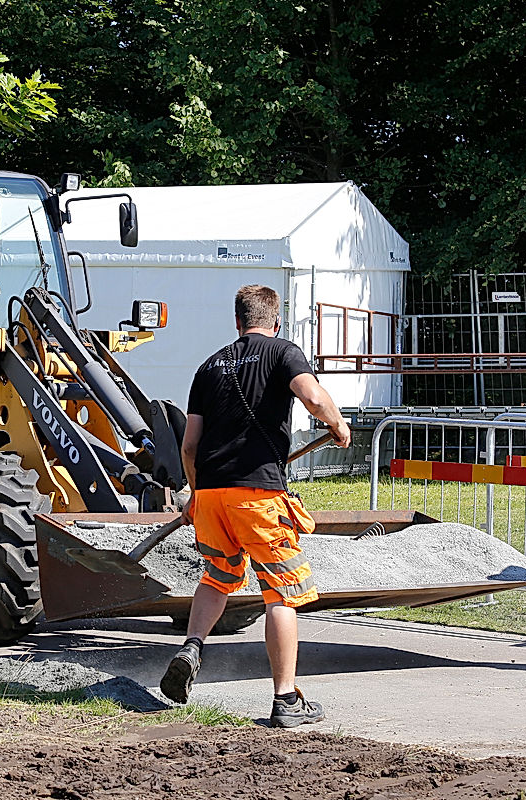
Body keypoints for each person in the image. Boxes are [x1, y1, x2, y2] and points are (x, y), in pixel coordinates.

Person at [159, 284, 351, 728]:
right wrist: (338, 423)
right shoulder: (284, 353)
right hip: (258, 496)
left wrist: (195, 495)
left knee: (218, 575)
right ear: (276, 321)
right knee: (281, 592)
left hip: (211, 496)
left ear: (237, 322)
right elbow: (314, 397)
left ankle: (192, 646)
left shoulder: (209, 367)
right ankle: (286, 701)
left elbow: (190, 446)